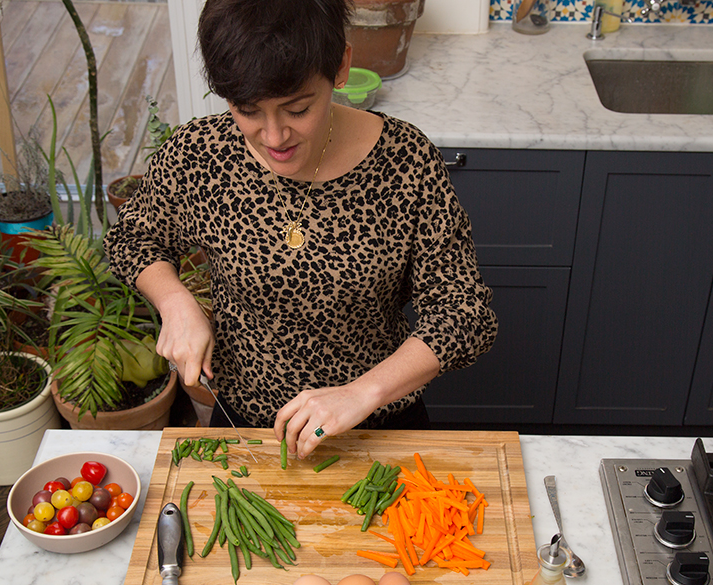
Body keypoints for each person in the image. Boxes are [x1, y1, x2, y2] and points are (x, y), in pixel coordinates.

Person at [103, 0, 497, 460]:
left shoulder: (406, 162)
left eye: (297, 108)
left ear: (342, 66)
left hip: (379, 425)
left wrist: (361, 393)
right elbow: (133, 237)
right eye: (248, 110)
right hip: (247, 427)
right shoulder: (200, 155)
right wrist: (173, 300)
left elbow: (464, 313)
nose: (273, 137)